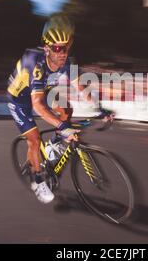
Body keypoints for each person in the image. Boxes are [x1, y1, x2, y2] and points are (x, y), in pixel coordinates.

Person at [7, 14, 112, 204]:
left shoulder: (67, 62)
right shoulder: (35, 63)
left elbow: (80, 87)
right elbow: (37, 105)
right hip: (19, 99)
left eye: (67, 46)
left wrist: (99, 108)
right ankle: (37, 179)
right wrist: (63, 127)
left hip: (41, 90)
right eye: (58, 48)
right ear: (47, 48)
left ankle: (54, 143)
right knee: (34, 139)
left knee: (66, 109)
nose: (63, 52)